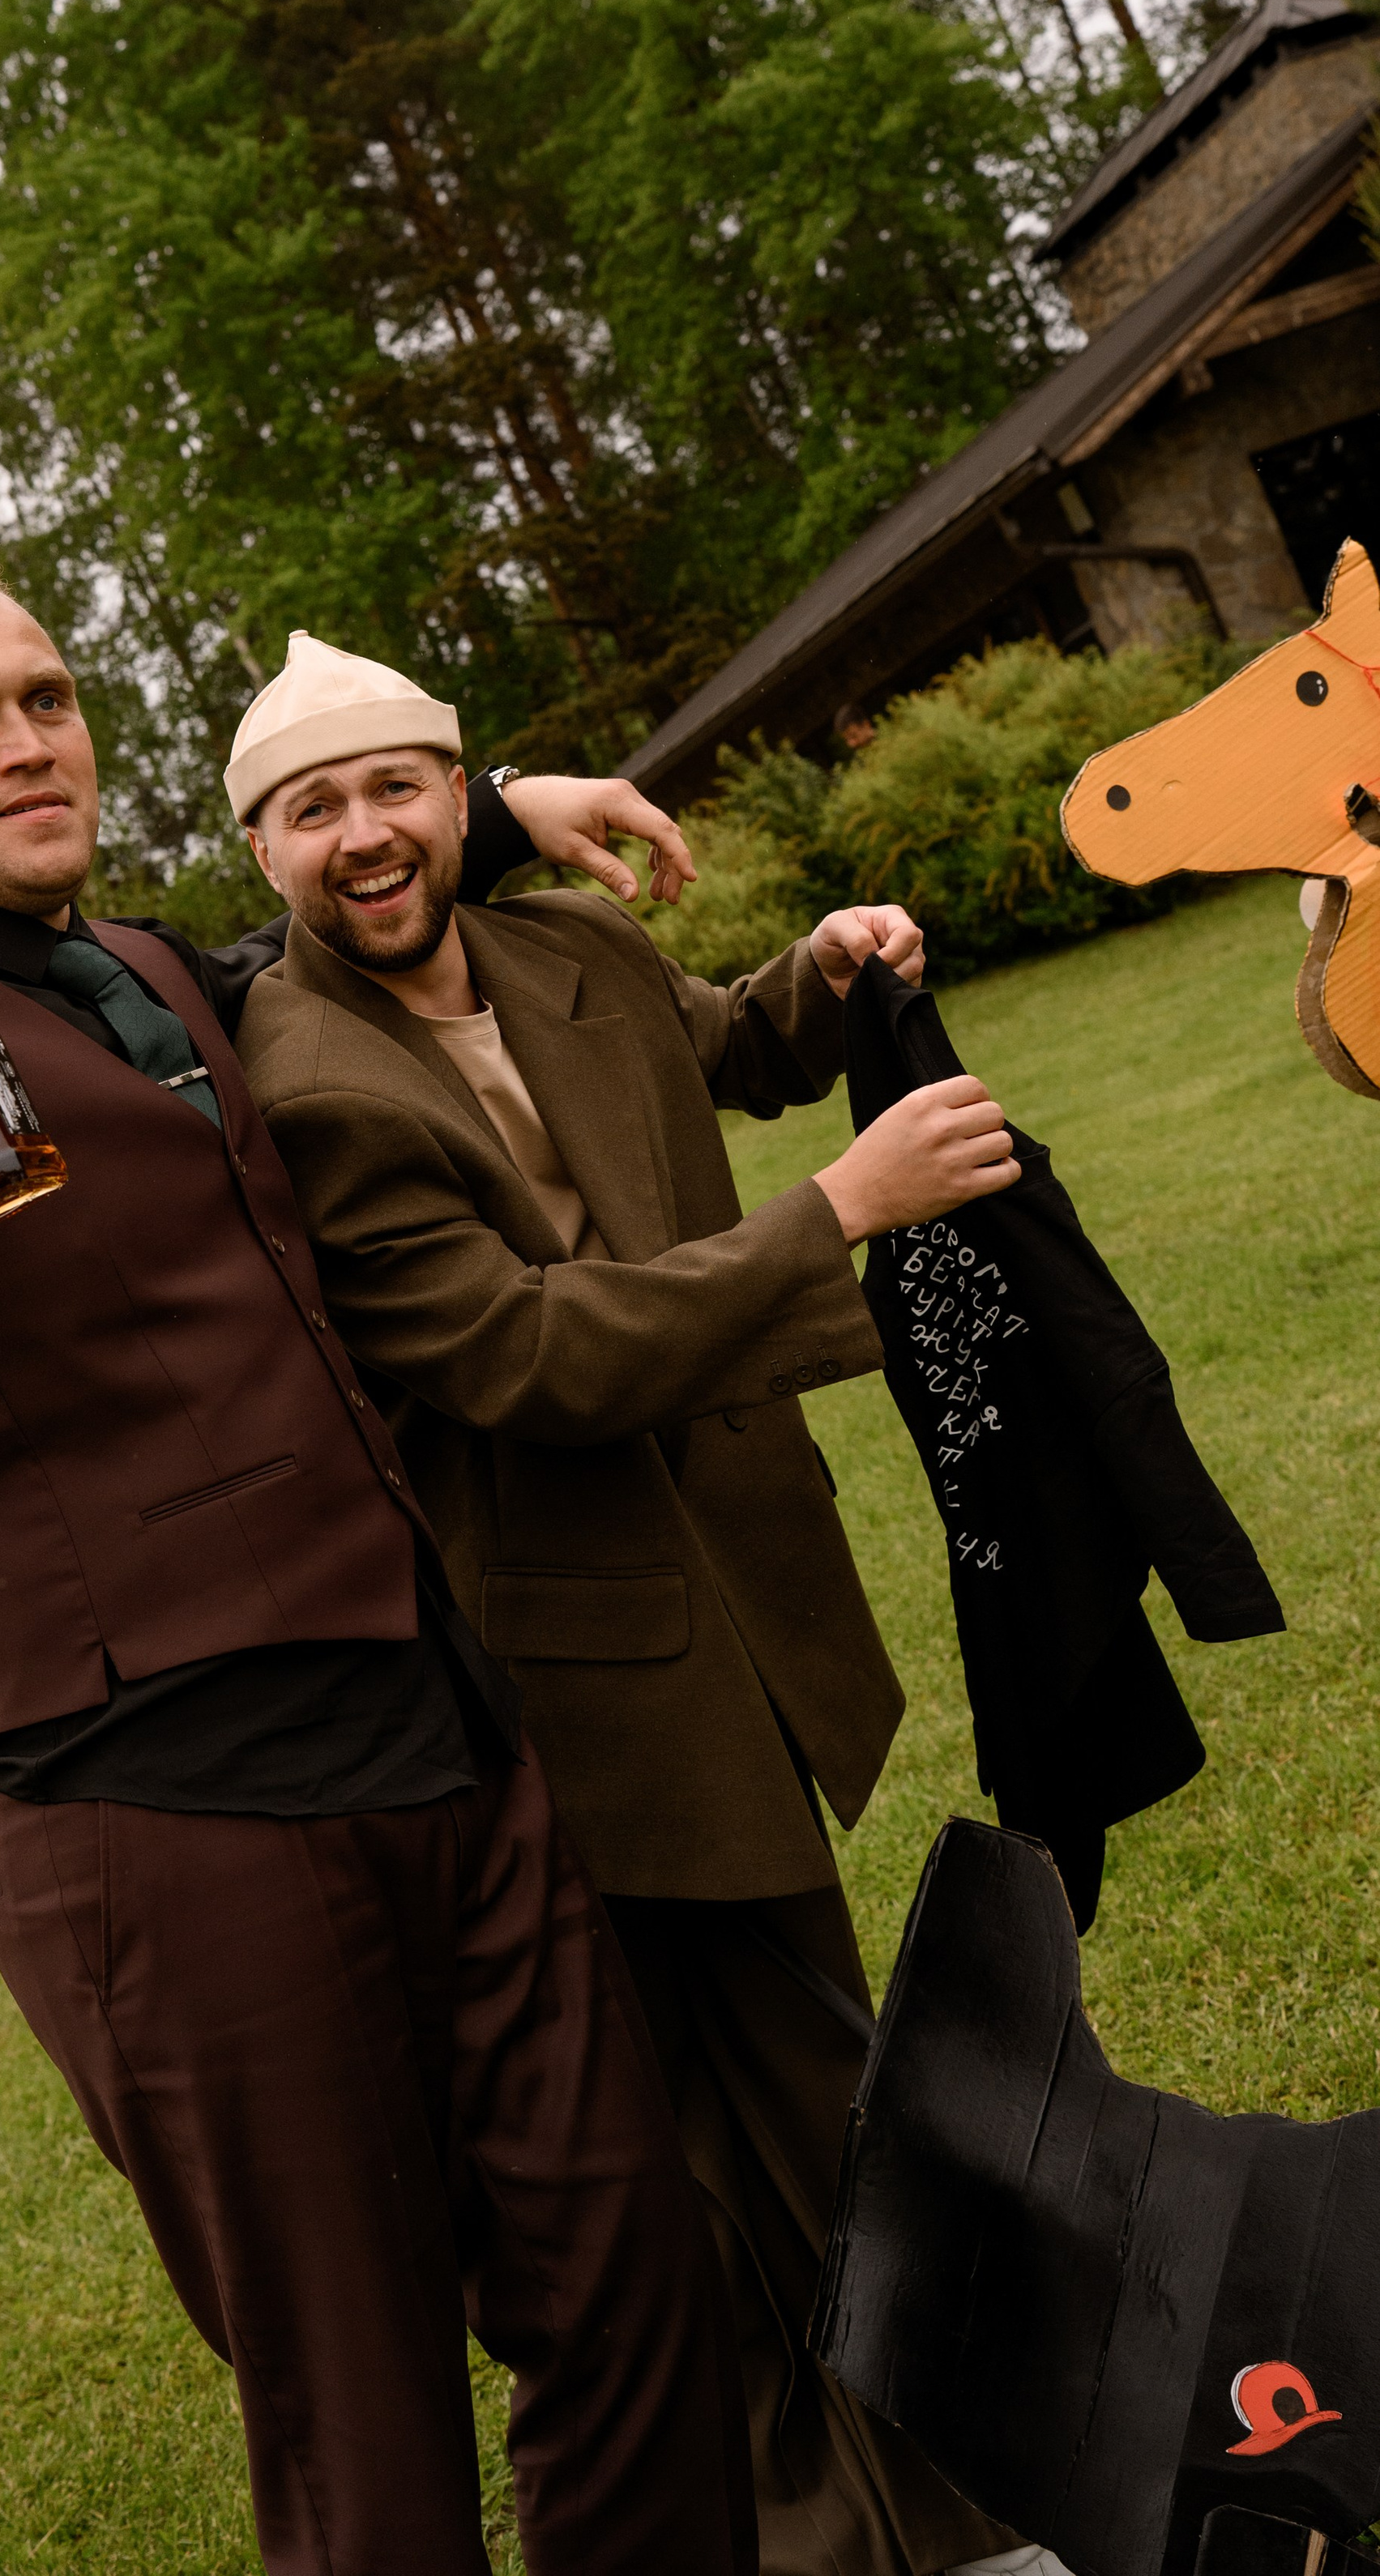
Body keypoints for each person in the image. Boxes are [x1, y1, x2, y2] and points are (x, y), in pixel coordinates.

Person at [0, 552, 756, 2576]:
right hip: (180, 1828)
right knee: (370, 2459)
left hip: (447, 1744)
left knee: (640, 2304)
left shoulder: (142, 970)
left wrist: (498, 810)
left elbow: (283, 946)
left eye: (46, 694)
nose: (28, 739)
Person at [229, 630, 1030, 2576]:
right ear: (257, 850)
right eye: (309, 809)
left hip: (731, 1593)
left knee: (811, 2087)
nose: (362, 834)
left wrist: (822, 972)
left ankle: (941, 2496)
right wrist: (837, 1211)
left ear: (457, 794)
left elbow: (719, 1044)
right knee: (685, 2156)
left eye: (393, 786)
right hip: (571, 1672)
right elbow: (526, 1354)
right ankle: (860, 2526)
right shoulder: (307, 1085)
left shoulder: (558, 948)